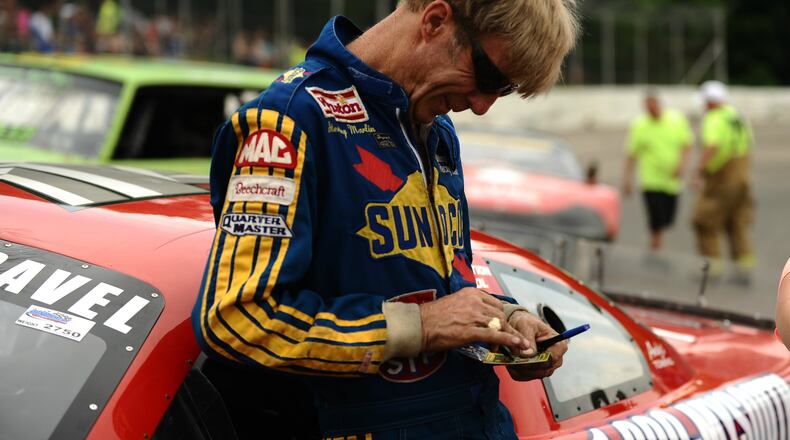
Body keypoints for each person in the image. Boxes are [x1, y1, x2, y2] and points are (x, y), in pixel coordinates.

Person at [192, 1, 579, 438]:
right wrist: (422, 326)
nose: (482, 106)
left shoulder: (437, 130)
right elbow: (235, 319)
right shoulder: (287, 121)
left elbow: (445, 283)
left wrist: (505, 323)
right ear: (435, 21)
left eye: (502, 91)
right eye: (488, 78)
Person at [691, 80, 755, 283]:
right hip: (742, 176)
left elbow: (713, 145)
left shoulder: (714, 118)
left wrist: (700, 170)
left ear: (710, 102)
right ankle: (744, 268)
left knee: (703, 221)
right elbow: (749, 145)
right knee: (736, 222)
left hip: (722, 178)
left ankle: (712, 268)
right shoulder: (737, 116)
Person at [622, 90, 693, 251]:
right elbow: (631, 154)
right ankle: (656, 243)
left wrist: (682, 165)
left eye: (652, 106)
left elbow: (686, 145)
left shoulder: (676, 119)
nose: (650, 110)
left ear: (659, 104)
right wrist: (627, 179)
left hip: (671, 181)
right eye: (647, 108)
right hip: (650, 180)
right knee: (655, 215)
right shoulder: (640, 125)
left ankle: (657, 238)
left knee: (668, 218)